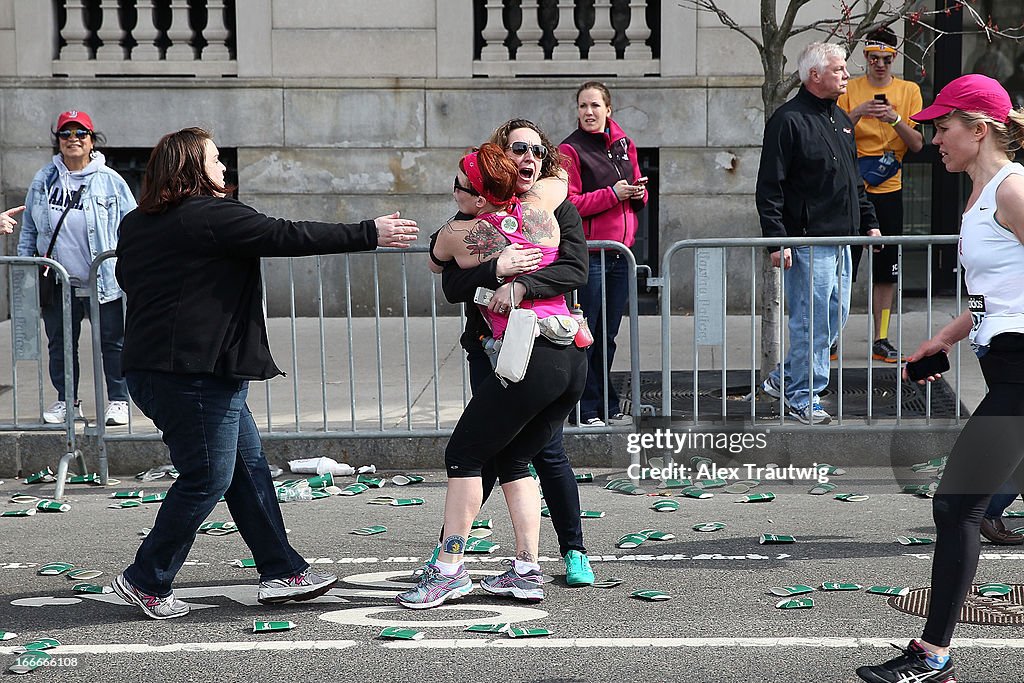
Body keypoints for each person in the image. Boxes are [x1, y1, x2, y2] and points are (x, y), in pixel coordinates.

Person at [111, 127, 418, 619]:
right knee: (207, 476)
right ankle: (146, 578)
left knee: (247, 470)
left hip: (159, 370)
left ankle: (282, 571)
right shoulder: (212, 217)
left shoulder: (137, 223)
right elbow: (287, 234)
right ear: (192, 167)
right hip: (195, 374)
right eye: (215, 159)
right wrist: (369, 233)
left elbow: (136, 282)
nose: (224, 168)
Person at [856, 74, 1024, 683]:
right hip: (1003, 364)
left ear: (980, 130)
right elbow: (994, 292)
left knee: (957, 507)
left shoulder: (1012, 190)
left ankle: (933, 657)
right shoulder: (980, 197)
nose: (933, 136)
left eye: (943, 126)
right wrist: (945, 338)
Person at [397, 144, 587, 609]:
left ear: (481, 197)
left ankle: (448, 570)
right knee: (516, 460)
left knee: (464, 456)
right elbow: (558, 187)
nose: (454, 192)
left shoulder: (462, 232)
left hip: (529, 356)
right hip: (572, 355)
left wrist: (491, 263)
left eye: (461, 186)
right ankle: (526, 571)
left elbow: (436, 260)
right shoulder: (541, 214)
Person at [755, 43, 880, 424]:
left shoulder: (841, 119)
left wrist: (870, 220)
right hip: (808, 241)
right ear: (815, 75)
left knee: (834, 319)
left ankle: (785, 378)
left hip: (843, 240)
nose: (846, 75)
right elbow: (770, 185)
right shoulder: (787, 120)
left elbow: (853, 181)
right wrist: (778, 238)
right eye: (839, 69)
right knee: (812, 321)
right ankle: (804, 396)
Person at [16, 110, 137, 426]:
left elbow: (133, 226)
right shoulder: (44, 180)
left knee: (113, 342)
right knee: (60, 344)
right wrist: (25, 268)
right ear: (57, 141)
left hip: (103, 279)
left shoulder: (110, 181)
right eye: (65, 134)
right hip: (57, 280)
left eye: (80, 133)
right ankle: (67, 401)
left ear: (92, 140)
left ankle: (118, 400)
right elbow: (29, 227)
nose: (73, 140)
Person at [559, 81, 646, 427]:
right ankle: (585, 407)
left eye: (595, 105)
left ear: (609, 109)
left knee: (606, 337)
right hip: (591, 255)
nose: (589, 112)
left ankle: (605, 404)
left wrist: (637, 193)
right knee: (586, 334)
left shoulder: (624, 144)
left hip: (621, 255)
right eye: (583, 106)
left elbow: (638, 190)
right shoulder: (570, 150)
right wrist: (613, 194)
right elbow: (570, 204)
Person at [837, 28, 924, 364]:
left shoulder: (908, 90)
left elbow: (917, 144)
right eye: (873, 58)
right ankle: (832, 337)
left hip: (889, 189)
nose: (879, 65)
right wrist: (858, 111)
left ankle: (881, 338)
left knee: (886, 269)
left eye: (885, 59)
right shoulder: (851, 89)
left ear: (894, 58)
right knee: (844, 266)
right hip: (854, 190)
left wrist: (895, 119)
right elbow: (833, 134)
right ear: (865, 58)